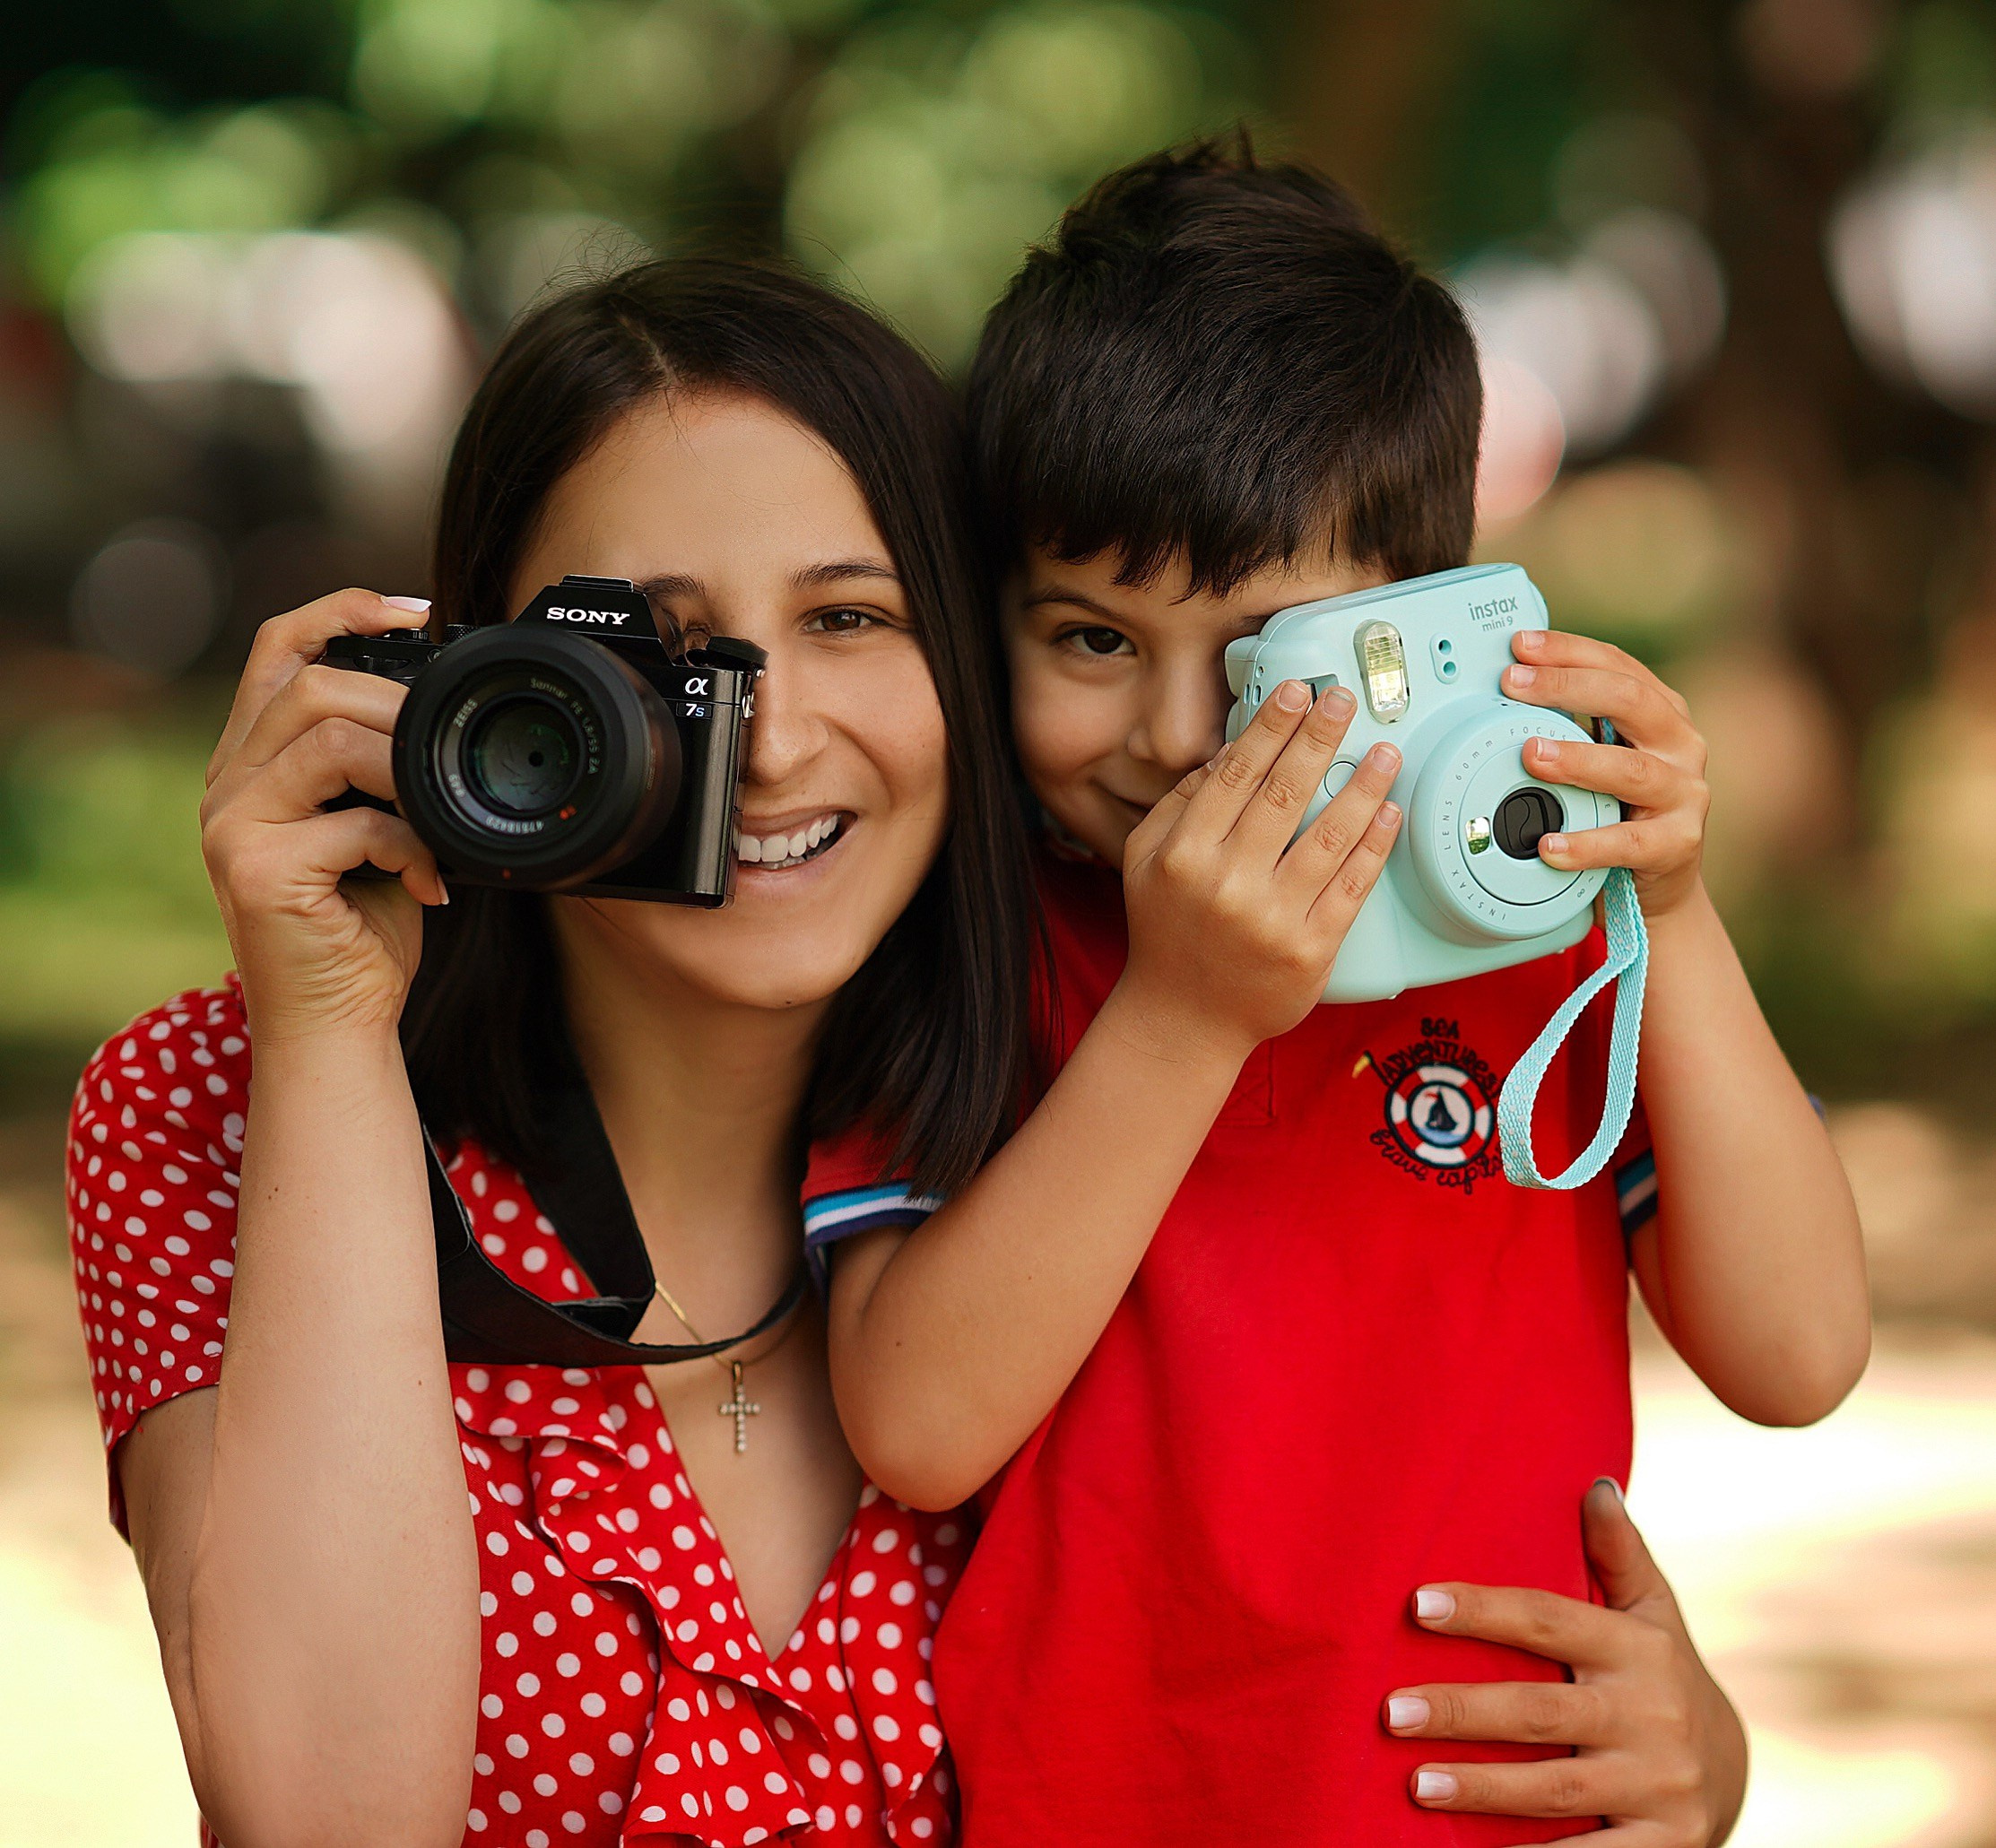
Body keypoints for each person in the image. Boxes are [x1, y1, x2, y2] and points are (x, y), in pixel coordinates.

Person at [70, 253, 1749, 1848]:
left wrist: (1677, 1744)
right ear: (493, 681)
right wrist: (329, 1028)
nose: (774, 739)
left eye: (851, 618)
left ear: (976, 658)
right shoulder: (224, 1100)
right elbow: (324, 1820)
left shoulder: (1107, 1063)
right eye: (655, 650)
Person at [812, 141, 1867, 1844]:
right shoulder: (969, 939)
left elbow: (1798, 1353)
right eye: (1086, 638)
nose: (1168, 737)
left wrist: (1668, 901)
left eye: (1255, 662)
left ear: (1429, 629)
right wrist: (1180, 1016)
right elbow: (919, 1424)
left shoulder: (1536, 933)